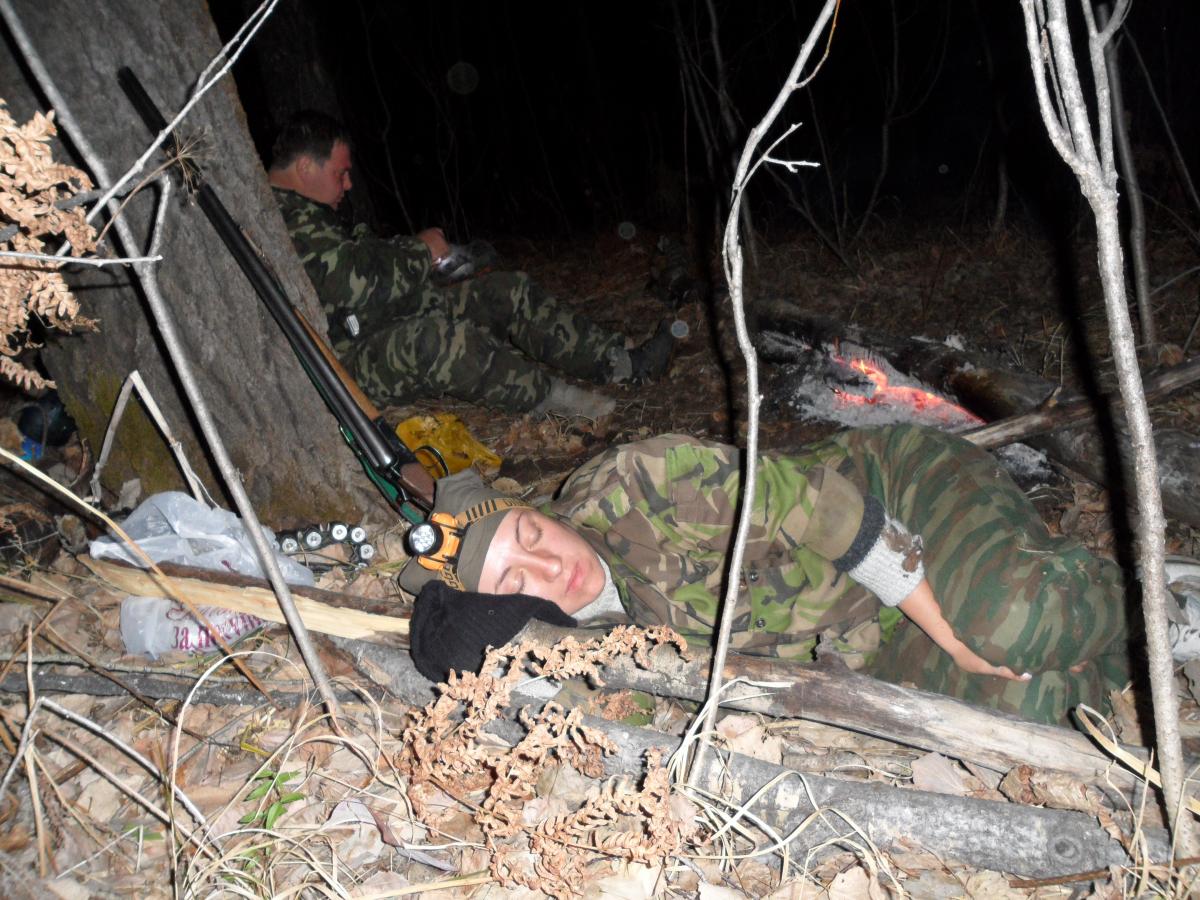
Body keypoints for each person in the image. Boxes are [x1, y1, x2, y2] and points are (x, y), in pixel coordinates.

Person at [400, 422, 1200, 727]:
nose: (552, 567)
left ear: (536, 507)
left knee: (1006, 624)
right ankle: (1124, 646)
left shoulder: (638, 483)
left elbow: (825, 510)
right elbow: (605, 713)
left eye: (531, 535)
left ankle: (1154, 599)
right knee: (1037, 706)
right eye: (516, 582)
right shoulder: (586, 637)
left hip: (891, 501)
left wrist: (953, 639)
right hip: (859, 639)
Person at [267, 111, 677, 418]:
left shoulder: (310, 214)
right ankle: (556, 400)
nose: (348, 184)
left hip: (383, 320)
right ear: (305, 167)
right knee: (435, 340)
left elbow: (361, 266)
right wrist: (420, 251)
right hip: (349, 364)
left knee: (506, 292)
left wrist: (431, 260)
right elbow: (348, 282)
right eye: (341, 173)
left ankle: (622, 364)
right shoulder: (280, 219)